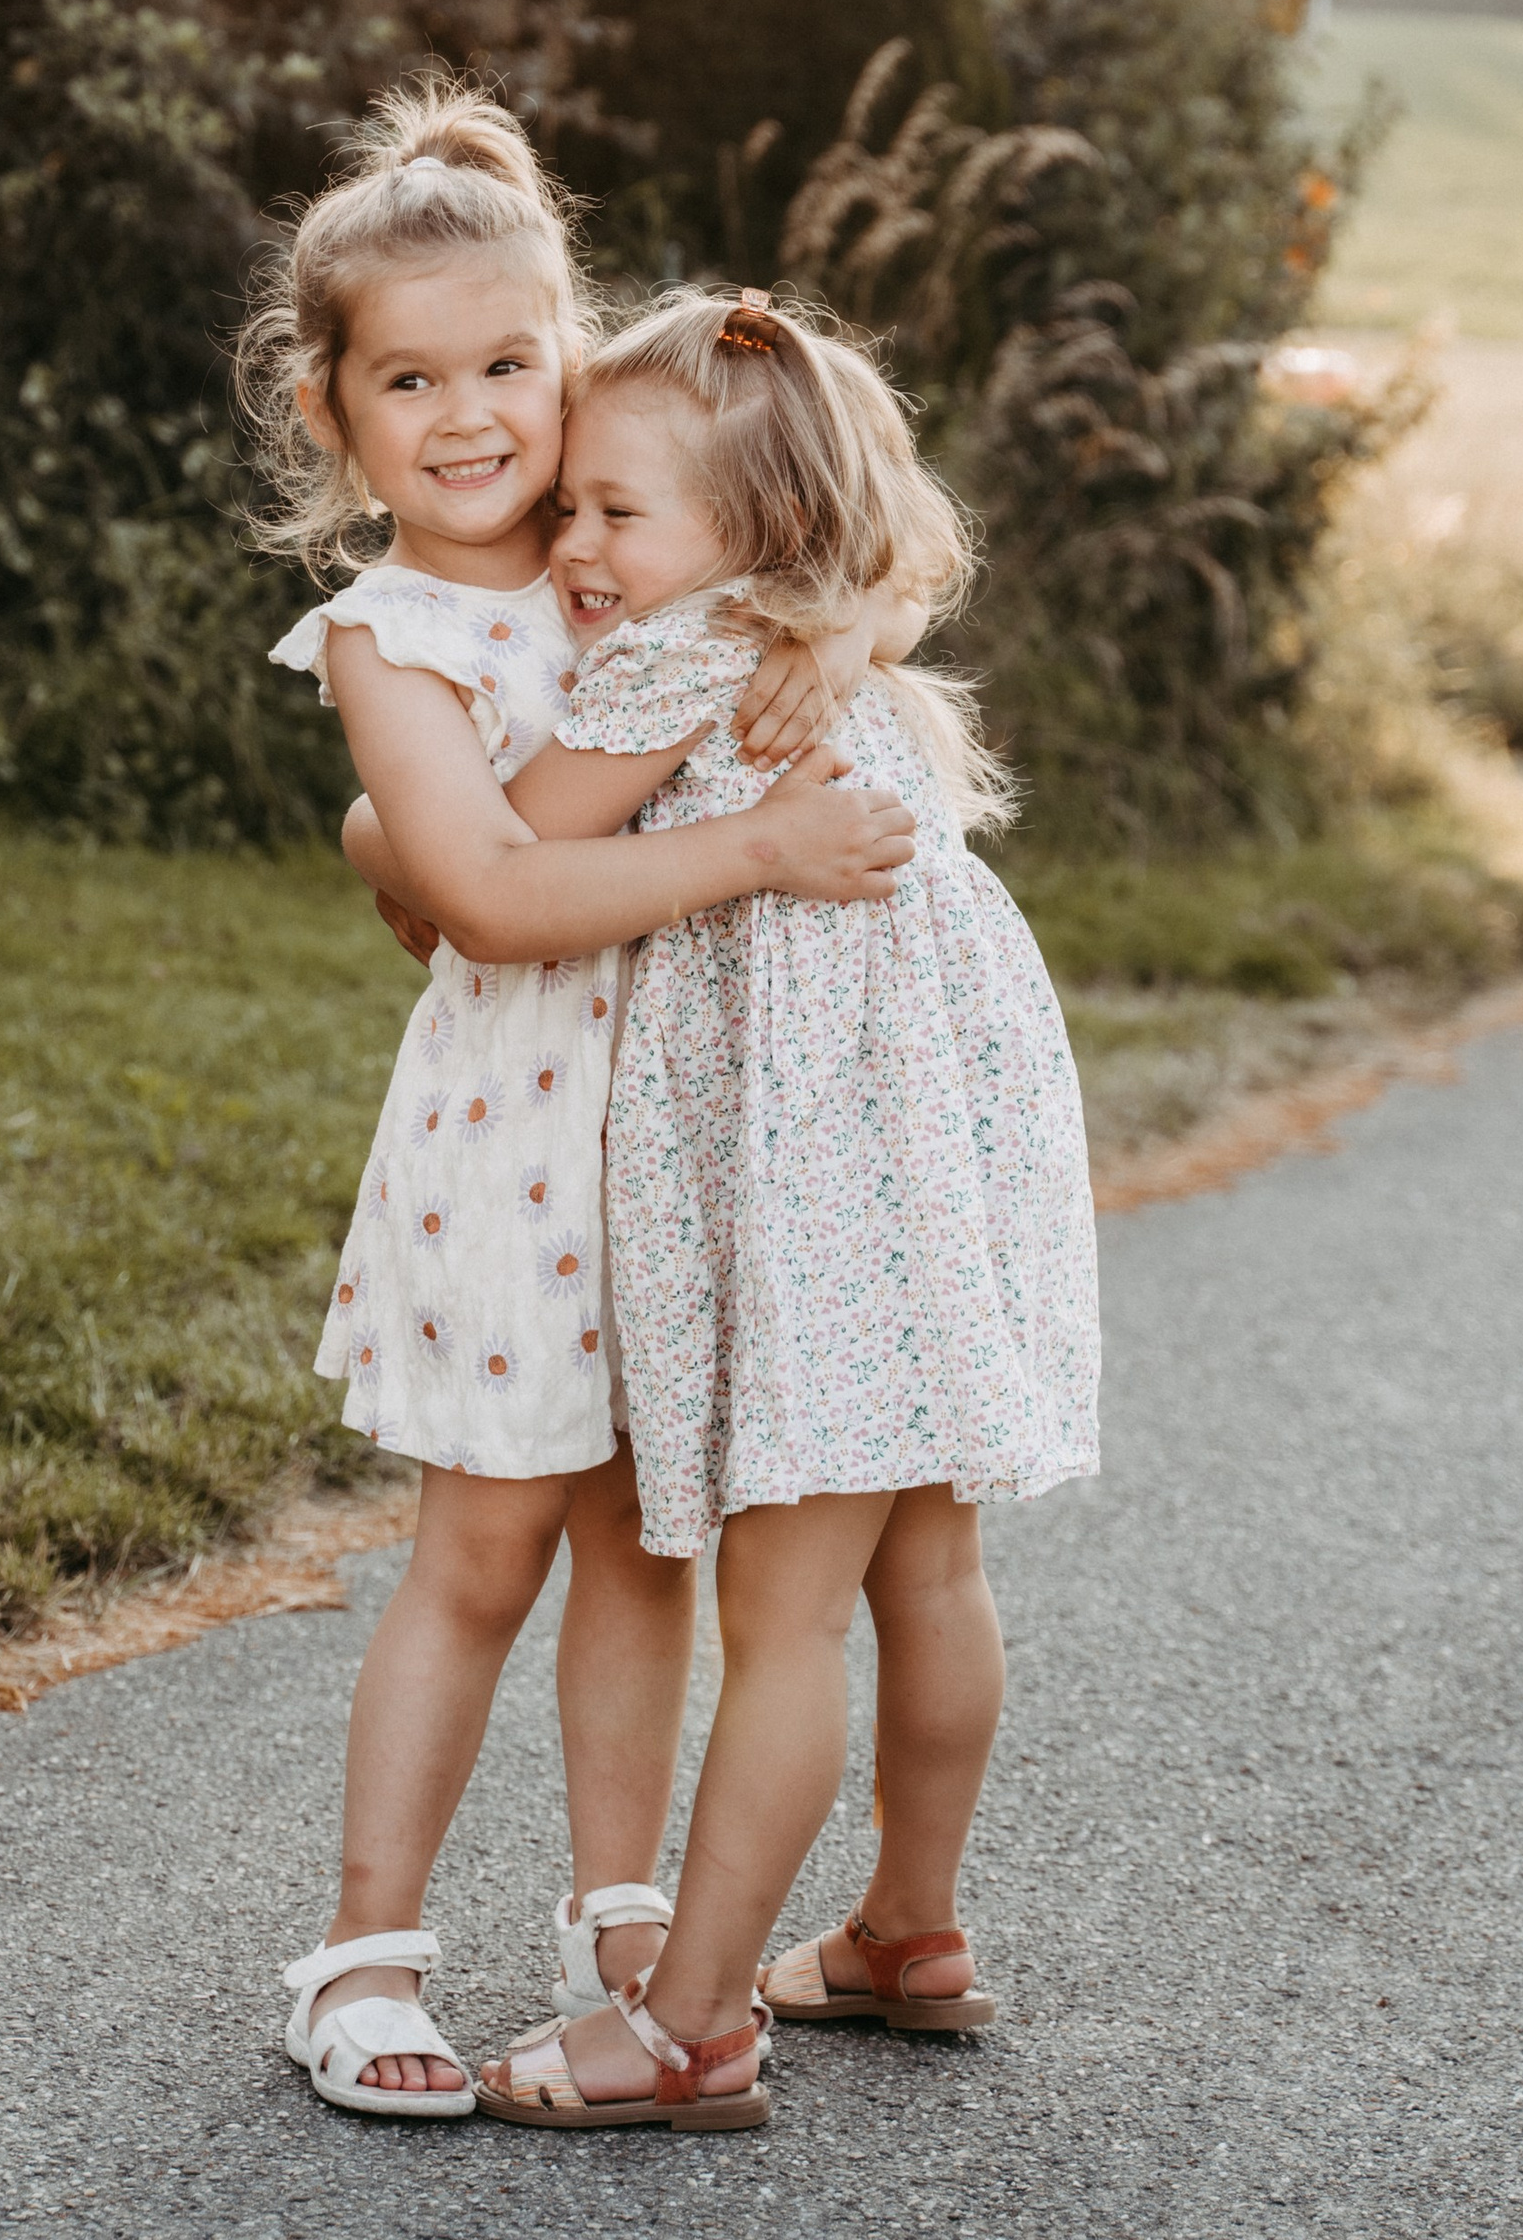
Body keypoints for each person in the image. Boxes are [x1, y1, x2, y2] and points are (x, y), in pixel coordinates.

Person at [245, 93, 918, 2120]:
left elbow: (819, 562)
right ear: (332, 410)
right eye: (410, 380)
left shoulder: (613, 550)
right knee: (477, 1554)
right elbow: (492, 894)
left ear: (568, 357)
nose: (470, 419)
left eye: (508, 365)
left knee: (644, 1548)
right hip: (513, 1155)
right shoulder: (396, 633)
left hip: (689, 1148)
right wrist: (752, 853)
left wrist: (838, 639)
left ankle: (621, 1918)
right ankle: (363, 1956)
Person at [464, 286, 1102, 2135]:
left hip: (831, 1185)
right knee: (931, 1566)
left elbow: (499, 850)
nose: (577, 545)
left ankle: (685, 2030)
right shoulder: (840, 641)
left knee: (787, 1612)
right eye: (566, 505)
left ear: (760, 537)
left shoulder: (681, 658)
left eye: (615, 513)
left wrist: (375, 831)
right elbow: (891, 570)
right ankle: (910, 1930)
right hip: (942, 1169)